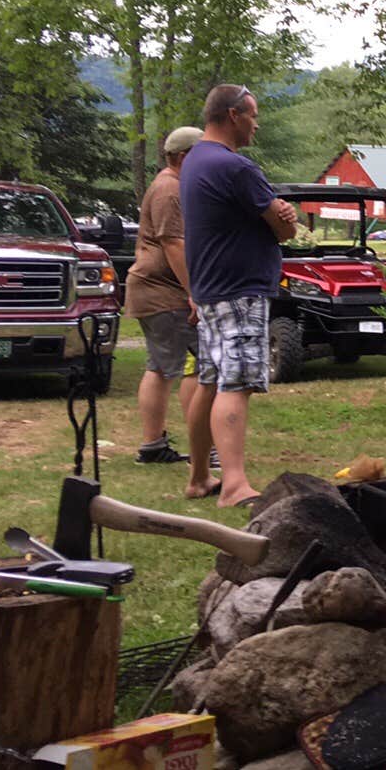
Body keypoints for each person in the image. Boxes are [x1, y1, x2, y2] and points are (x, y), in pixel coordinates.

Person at [180, 85, 300, 507]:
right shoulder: (236, 168)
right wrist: (285, 218)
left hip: (210, 289)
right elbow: (284, 229)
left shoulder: (195, 159)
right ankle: (233, 485)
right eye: (252, 115)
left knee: (209, 382)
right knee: (237, 384)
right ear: (233, 115)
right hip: (240, 291)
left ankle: (198, 477)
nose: (256, 123)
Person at [123, 126, 214, 480]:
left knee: (160, 367)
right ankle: (204, 449)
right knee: (199, 364)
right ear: (184, 157)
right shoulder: (170, 189)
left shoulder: (171, 185)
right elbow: (174, 244)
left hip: (155, 290)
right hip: (164, 292)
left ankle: (153, 446)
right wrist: (194, 292)